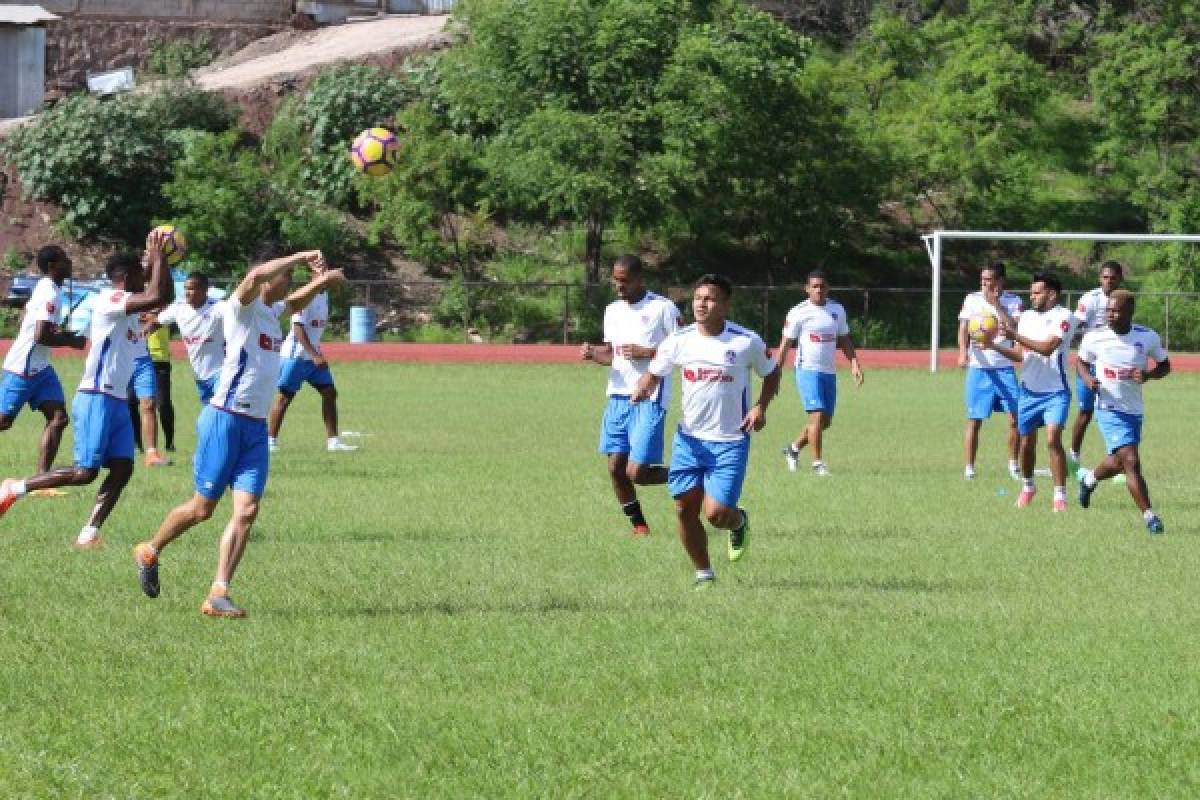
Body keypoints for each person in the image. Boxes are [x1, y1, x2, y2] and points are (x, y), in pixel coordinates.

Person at [133, 250, 344, 618]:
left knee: (246, 511)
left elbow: (294, 302)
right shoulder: (240, 306)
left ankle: (218, 592)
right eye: (284, 277)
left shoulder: (272, 313)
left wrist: (322, 282)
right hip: (224, 420)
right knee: (202, 509)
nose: (288, 284)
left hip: (254, 429)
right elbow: (255, 275)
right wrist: (298, 257)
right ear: (265, 280)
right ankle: (150, 549)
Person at [0, 231, 173, 549]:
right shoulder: (110, 299)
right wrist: (159, 257)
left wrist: (166, 262)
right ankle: (14, 488)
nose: (146, 274)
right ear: (127, 276)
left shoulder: (132, 312)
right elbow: (154, 297)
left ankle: (88, 534)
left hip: (118, 400)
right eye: (141, 270)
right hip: (96, 396)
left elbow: (162, 297)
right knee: (84, 472)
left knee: (123, 468)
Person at [631, 274, 780, 589]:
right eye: (698, 297)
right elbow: (655, 372)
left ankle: (739, 521)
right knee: (684, 508)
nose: (701, 303)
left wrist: (760, 407)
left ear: (725, 305)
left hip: (730, 441)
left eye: (710, 298)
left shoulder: (745, 341)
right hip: (689, 440)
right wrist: (644, 386)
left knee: (716, 513)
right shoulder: (679, 340)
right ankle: (704, 574)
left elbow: (771, 372)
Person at [581, 255, 682, 535]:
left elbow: (684, 350)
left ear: (640, 279)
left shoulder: (663, 308)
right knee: (615, 467)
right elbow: (612, 355)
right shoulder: (612, 311)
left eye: (624, 281)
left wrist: (648, 352)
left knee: (637, 472)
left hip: (650, 396)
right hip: (617, 396)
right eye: (615, 280)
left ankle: (691, 473)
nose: (618, 286)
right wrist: (593, 354)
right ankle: (639, 526)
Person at [1076, 289, 1170, 534]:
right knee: (1131, 461)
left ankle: (1089, 480)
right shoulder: (1094, 337)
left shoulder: (1147, 337)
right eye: (1108, 310)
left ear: (1130, 312)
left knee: (1118, 462)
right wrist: (1087, 379)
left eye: (1116, 310)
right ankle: (1151, 518)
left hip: (1133, 409)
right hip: (1108, 408)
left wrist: (1148, 375)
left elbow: (1165, 365)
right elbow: (1081, 362)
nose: (1110, 314)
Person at [983, 271, 1075, 511]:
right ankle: (1028, 486)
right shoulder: (1026, 318)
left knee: (1053, 439)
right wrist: (992, 345)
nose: (1032, 296)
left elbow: (1047, 348)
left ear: (1052, 294)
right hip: (1029, 392)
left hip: (1056, 391)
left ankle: (1060, 495)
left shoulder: (1064, 316)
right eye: (1031, 292)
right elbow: (1019, 355)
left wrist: (1015, 334)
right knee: (1026, 444)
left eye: (1037, 292)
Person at [0, 245, 86, 474]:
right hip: (23, 368)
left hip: (41, 368)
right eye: (64, 259)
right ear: (52, 266)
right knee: (4, 422)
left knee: (59, 418)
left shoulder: (48, 287)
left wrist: (62, 335)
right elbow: (41, 335)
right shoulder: (48, 291)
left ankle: (41, 479)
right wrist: (70, 341)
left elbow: (27, 318)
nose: (69, 262)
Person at [776, 270, 864, 476]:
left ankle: (793, 449)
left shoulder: (837, 310)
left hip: (828, 372)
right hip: (807, 370)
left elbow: (844, 339)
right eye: (814, 286)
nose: (819, 290)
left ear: (828, 288)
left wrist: (854, 363)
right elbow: (785, 344)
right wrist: (776, 373)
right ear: (807, 289)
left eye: (822, 286)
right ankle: (818, 464)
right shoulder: (798, 312)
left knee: (825, 421)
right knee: (816, 416)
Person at [266, 288, 357, 452]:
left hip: (313, 355)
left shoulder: (325, 295)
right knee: (285, 397)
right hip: (297, 356)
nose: (324, 270)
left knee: (329, 392)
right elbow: (297, 327)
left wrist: (315, 353)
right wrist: (314, 354)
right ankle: (270, 441)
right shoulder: (305, 294)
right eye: (319, 266)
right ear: (313, 272)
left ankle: (333, 442)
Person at [957, 261, 1023, 480]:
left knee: (1015, 418)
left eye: (988, 279)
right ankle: (969, 469)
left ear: (1000, 281)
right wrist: (963, 352)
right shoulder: (972, 299)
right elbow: (964, 328)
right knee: (974, 420)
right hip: (979, 368)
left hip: (1004, 367)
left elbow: (1015, 329)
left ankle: (1013, 465)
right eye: (982, 279)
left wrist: (997, 306)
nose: (983, 283)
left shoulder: (1013, 301)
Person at [1069, 260, 1123, 467]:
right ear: (1100, 278)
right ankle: (1073, 457)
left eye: (1113, 277)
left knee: (1115, 411)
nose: (1109, 281)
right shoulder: (1090, 299)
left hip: (1113, 363)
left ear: (1120, 279)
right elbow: (1076, 323)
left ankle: (1118, 459)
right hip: (1089, 363)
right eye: (1105, 277)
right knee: (1085, 411)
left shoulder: (1124, 300)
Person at [153, 272, 224, 406]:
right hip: (200, 375)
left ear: (204, 290)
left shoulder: (220, 307)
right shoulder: (179, 308)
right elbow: (157, 322)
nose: (187, 292)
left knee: (220, 410)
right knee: (209, 413)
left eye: (191, 289)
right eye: (186, 288)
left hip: (221, 372)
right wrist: (143, 331)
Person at [127, 327, 169, 467]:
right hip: (119, 358)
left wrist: (150, 323)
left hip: (143, 360)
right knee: (117, 403)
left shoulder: (143, 307)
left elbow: (158, 315)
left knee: (148, 403)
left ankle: (151, 454)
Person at [145, 315, 176, 454]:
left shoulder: (163, 309)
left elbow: (156, 321)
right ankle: (137, 444)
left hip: (160, 361)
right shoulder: (134, 305)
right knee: (131, 399)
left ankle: (169, 442)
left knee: (163, 404)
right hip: (137, 360)